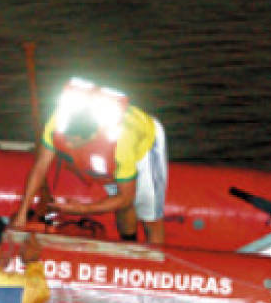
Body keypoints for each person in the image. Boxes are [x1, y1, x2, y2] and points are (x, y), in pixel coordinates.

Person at [10, 77, 168, 244]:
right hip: (106, 155)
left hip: (145, 146)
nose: (67, 145)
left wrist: (82, 209)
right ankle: (128, 244)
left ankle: (155, 257)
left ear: (92, 136)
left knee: (150, 216)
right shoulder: (57, 125)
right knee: (122, 209)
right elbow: (40, 168)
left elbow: (126, 197)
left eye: (73, 141)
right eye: (66, 138)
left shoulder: (121, 145)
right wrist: (22, 212)